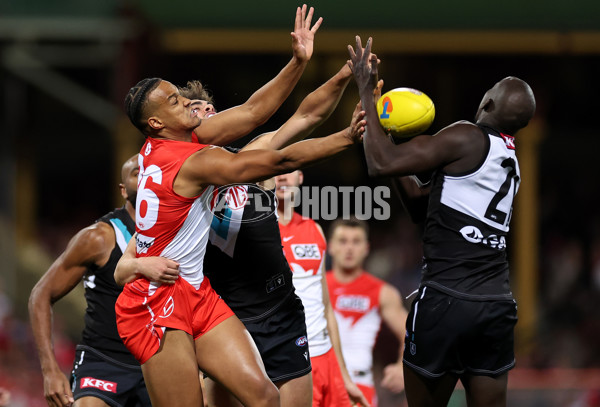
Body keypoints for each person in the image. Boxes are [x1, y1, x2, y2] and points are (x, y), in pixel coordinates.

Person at [113, 12, 366, 407]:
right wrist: (346, 139)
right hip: (156, 303)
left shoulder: (171, 145)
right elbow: (278, 162)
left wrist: (298, 61)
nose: (191, 106)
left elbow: (252, 113)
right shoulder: (193, 163)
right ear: (157, 122)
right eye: (177, 101)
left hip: (200, 292)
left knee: (265, 398)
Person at [347, 36, 536, 407]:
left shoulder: (467, 135)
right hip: (496, 304)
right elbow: (421, 205)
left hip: (446, 301)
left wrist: (366, 92)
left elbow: (379, 164)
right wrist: (388, 134)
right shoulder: (512, 164)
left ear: (489, 102)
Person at [28, 156, 150, 407]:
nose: (147, 176)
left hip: (159, 361)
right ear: (123, 189)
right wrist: (50, 369)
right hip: (104, 362)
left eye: (153, 171)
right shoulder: (99, 237)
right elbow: (41, 294)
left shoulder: (185, 233)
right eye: (138, 172)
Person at [276, 171, 368, 407]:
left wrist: (344, 376)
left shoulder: (314, 229)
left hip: (327, 360)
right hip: (292, 365)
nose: (282, 179)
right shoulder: (258, 232)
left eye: (288, 171)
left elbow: (326, 307)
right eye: (276, 172)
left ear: (300, 177)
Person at [326, 217, 408, 407]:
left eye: (356, 242)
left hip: (359, 386)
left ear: (366, 248)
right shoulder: (314, 288)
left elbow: (412, 333)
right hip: (318, 381)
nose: (349, 248)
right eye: (343, 241)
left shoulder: (382, 293)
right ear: (330, 247)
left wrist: (402, 366)